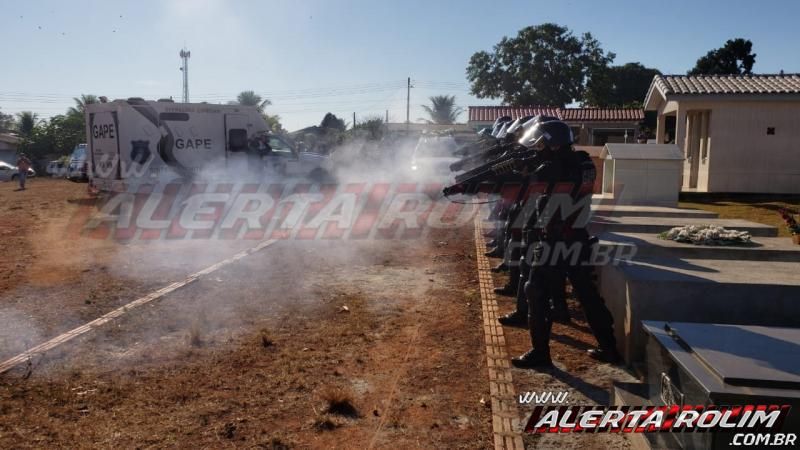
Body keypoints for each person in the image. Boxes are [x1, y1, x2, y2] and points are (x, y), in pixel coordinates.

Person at [509, 120, 620, 369]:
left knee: (535, 291)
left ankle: (540, 353)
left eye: (542, 143)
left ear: (553, 143)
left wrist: (517, 168)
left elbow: (529, 180)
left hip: (554, 240)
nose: (538, 148)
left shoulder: (554, 166)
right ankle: (609, 347)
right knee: (587, 295)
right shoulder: (582, 161)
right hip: (577, 238)